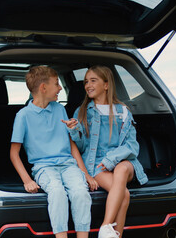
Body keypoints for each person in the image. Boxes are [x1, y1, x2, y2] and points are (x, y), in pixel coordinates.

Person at [63, 65, 148, 238]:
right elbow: (81, 148)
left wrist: (112, 159)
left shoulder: (123, 111)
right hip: (97, 164)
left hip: (124, 161)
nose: (88, 85)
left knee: (121, 169)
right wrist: (75, 132)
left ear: (106, 85)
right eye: (86, 81)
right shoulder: (82, 112)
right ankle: (112, 234)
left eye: (93, 80)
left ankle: (106, 225)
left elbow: (132, 146)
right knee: (123, 195)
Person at [10, 66, 92, 238]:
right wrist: (27, 180)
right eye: (56, 84)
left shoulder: (59, 109)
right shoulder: (23, 116)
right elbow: (14, 153)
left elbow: (71, 145)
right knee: (57, 192)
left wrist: (86, 174)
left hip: (68, 164)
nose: (60, 88)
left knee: (80, 192)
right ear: (43, 88)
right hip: (43, 167)